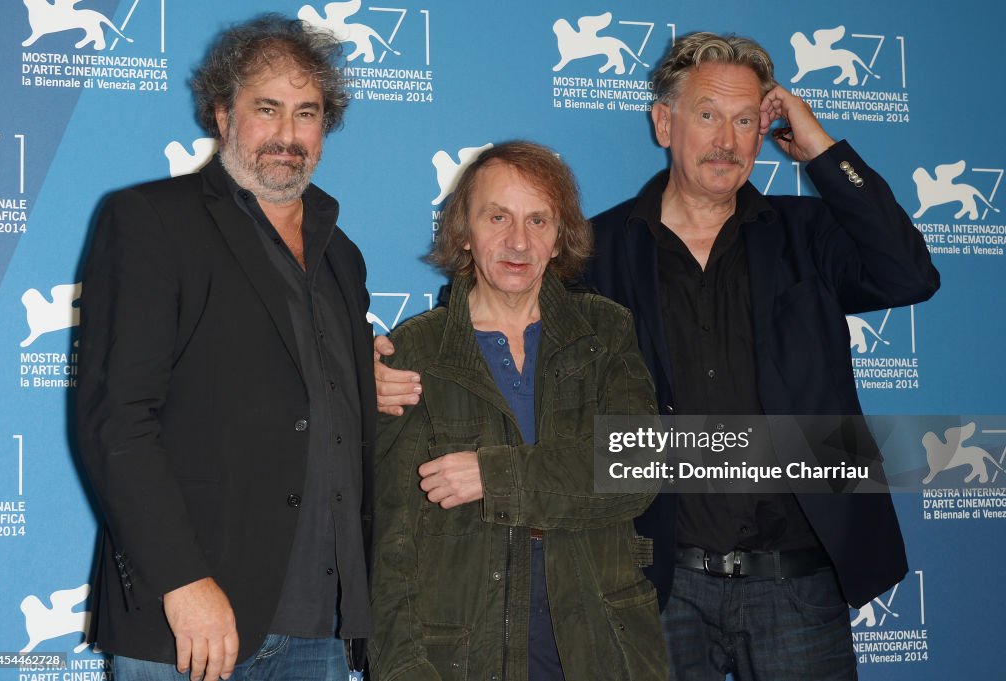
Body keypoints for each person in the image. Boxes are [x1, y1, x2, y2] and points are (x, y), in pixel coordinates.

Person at [375, 33, 940, 680]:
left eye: (746, 119)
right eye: (706, 115)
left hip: (800, 579)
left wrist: (820, 148)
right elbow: (497, 302)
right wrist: (386, 363)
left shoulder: (805, 234)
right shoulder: (599, 251)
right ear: (664, 122)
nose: (726, 139)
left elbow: (909, 275)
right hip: (654, 582)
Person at [77, 14, 374, 681]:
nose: (287, 135)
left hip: (320, 625)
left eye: (307, 113)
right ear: (222, 113)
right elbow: (116, 421)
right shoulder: (152, 221)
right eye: (266, 109)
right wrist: (182, 581)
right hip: (192, 624)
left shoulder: (342, 256)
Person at [368, 142, 668, 681]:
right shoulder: (415, 352)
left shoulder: (605, 332)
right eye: (497, 217)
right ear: (464, 232)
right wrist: (404, 668)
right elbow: (393, 545)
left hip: (599, 645)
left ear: (559, 239)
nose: (518, 241)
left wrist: (494, 474)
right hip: (462, 655)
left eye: (539, 220)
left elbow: (637, 470)